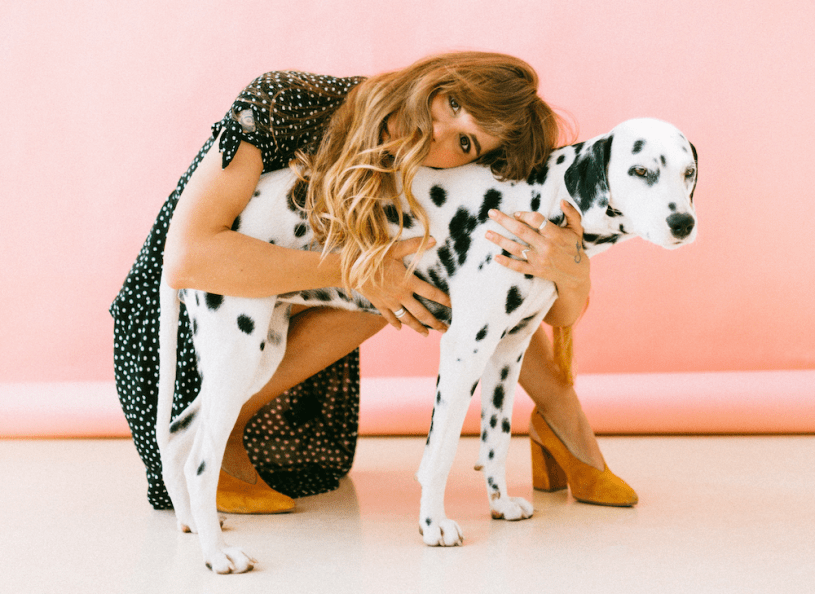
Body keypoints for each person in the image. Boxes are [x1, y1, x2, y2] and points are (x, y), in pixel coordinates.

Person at [110, 51, 636, 514]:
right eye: (453, 103)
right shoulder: (283, 100)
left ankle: (562, 426)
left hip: (283, 337)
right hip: (180, 340)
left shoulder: (433, 175)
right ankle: (214, 436)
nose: (438, 132)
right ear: (440, 72)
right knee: (407, 276)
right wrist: (361, 271)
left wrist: (569, 268)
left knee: (456, 274)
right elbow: (187, 260)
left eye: (466, 142)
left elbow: (548, 312)